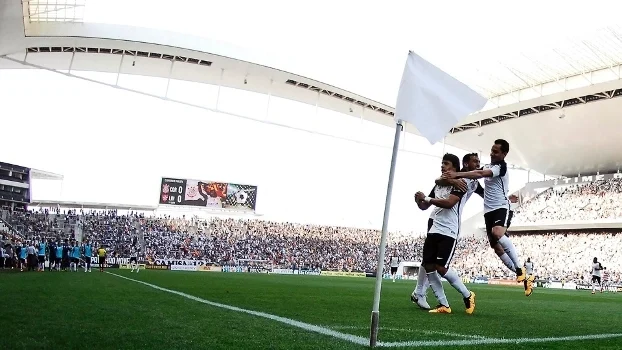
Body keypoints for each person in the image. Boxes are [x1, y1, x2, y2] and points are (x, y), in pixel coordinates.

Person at [442, 139, 533, 296]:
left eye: (496, 151)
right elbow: (481, 185)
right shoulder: (488, 166)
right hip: (488, 211)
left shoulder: (501, 167)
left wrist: (456, 173)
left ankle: (519, 268)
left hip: (501, 208)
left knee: (498, 233)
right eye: (491, 150)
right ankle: (526, 276)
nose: (492, 153)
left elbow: (480, 174)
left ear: (504, 154)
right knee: (496, 247)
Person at [411, 152, 483, 310]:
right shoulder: (443, 182)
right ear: (464, 164)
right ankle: (436, 300)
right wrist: (419, 199)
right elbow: (424, 205)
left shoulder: (468, 181)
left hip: (450, 226)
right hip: (435, 221)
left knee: (439, 266)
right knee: (428, 262)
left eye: (446, 164)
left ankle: (422, 292)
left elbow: (481, 190)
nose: (478, 164)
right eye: (475, 161)